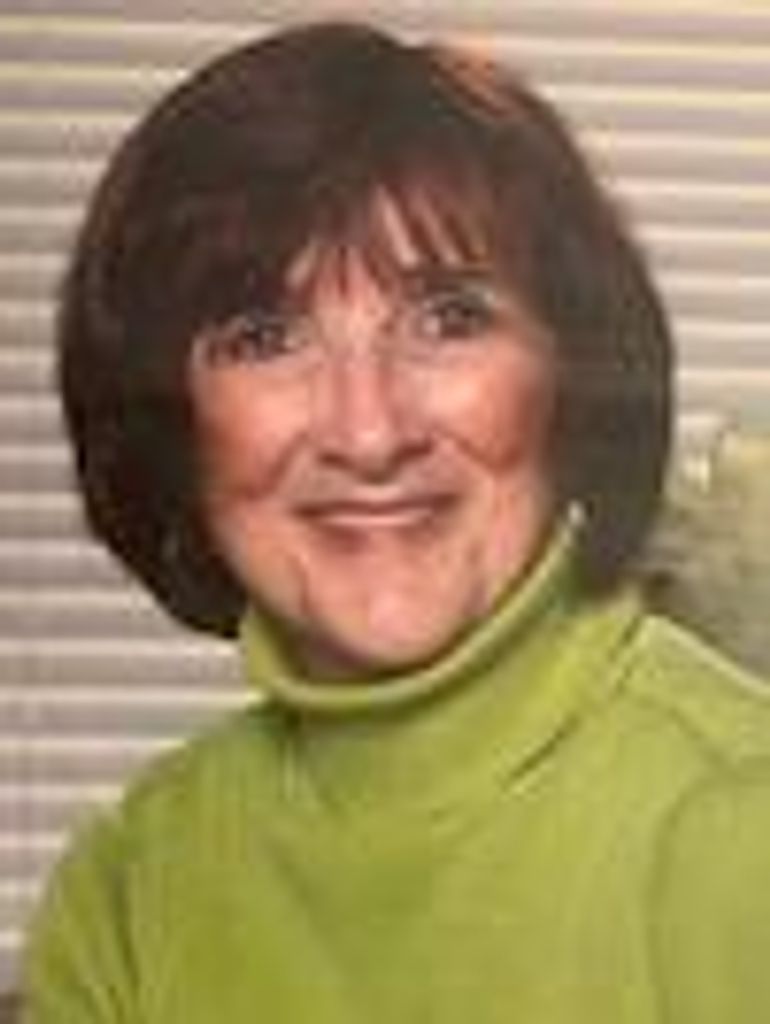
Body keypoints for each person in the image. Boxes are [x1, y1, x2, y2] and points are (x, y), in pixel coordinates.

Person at [22, 19, 770, 1024]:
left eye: (449, 319)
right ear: (173, 424)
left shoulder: (741, 822)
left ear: (571, 374)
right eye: (265, 336)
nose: (369, 433)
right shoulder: (130, 888)